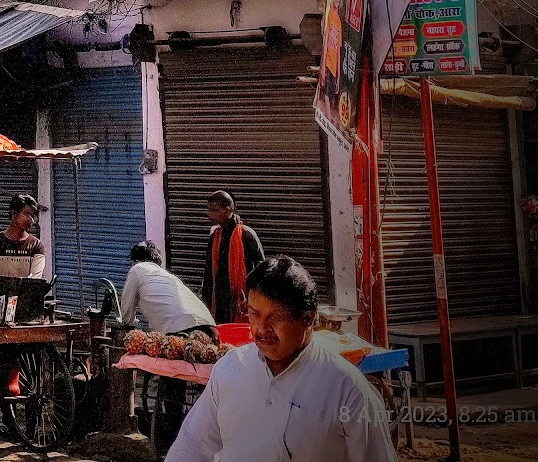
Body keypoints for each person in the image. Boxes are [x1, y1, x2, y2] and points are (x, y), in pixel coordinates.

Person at [167, 257, 395, 462]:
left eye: (275, 317)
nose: (262, 328)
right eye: (254, 314)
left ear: (308, 319)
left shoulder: (348, 390)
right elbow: (192, 445)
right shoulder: (229, 370)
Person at [120, 241, 215, 451]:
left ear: (135, 260)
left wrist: (127, 325)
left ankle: (174, 440)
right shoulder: (166, 276)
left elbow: (126, 311)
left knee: (173, 385)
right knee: (208, 383)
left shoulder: (137, 270)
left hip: (179, 330)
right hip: (208, 325)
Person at [200, 191, 265, 324]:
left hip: (243, 299)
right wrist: (205, 301)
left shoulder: (247, 234)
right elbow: (208, 273)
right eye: (209, 210)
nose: (209, 215)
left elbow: (262, 270)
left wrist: (254, 298)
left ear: (229, 209)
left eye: (214, 210)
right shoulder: (215, 236)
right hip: (219, 300)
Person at [0, 193, 48, 278]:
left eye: (33, 215)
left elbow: (34, 282)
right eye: (26, 214)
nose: (30, 219)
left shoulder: (36, 246)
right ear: (14, 214)